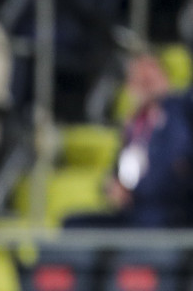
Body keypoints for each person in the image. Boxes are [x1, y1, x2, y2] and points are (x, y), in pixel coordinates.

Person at [64, 52, 193, 229]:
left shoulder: (177, 113)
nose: (142, 83)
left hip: (165, 214)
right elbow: (119, 171)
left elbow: (173, 167)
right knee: (73, 224)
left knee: (146, 222)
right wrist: (112, 187)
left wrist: (135, 192)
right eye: (137, 79)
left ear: (164, 77)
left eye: (148, 78)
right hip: (134, 212)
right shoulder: (135, 126)